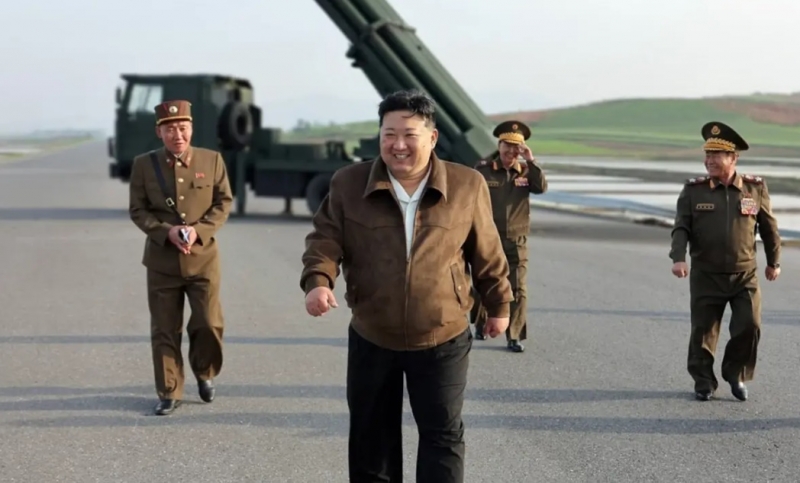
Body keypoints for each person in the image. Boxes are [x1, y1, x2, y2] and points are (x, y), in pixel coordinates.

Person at [300, 89, 513, 482]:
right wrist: (318, 281)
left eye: (409, 135)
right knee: (371, 440)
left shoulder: (466, 184)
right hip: (372, 332)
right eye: (389, 135)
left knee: (442, 436)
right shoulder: (348, 183)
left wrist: (499, 305)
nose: (398, 145)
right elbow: (324, 240)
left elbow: (486, 248)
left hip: (442, 334)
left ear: (432, 137)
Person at [129, 100, 233, 416]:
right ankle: (169, 390)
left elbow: (223, 202)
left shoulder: (212, 160)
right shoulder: (144, 165)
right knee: (164, 328)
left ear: (191, 129)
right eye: (171, 129)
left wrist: (199, 230)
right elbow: (138, 210)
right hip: (162, 261)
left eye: (183, 128)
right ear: (159, 132)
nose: (178, 135)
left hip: (203, 259)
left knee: (208, 322)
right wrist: (166, 232)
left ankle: (205, 371)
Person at [669, 121, 781, 402]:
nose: (709, 161)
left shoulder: (755, 188)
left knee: (750, 325)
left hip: (745, 275)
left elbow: (769, 228)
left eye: (716, 155)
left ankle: (736, 373)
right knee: (704, 331)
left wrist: (774, 261)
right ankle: (704, 381)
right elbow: (681, 227)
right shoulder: (694, 191)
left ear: (733, 158)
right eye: (707, 155)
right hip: (706, 274)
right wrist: (678, 258)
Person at [470, 120, 548, 353]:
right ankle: (482, 323)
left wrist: (531, 160)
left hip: (516, 239)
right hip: (487, 238)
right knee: (483, 283)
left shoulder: (526, 172)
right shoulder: (483, 170)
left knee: (518, 288)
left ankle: (514, 335)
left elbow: (541, 188)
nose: (511, 151)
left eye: (517, 147)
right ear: (499, 145)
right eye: (508, 145)